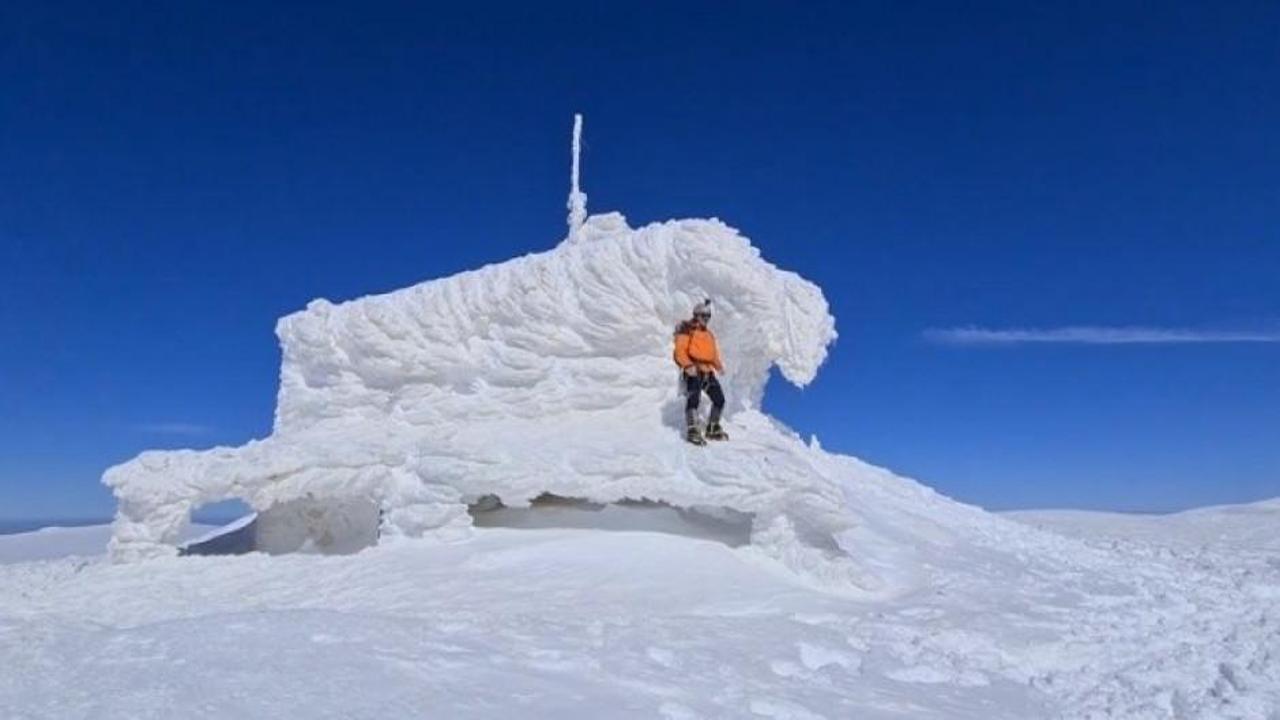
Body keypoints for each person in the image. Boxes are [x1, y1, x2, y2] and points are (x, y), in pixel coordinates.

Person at [673, 299, 728, 445]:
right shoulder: (687, 330)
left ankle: (712, 427)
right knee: (694, 399)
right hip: (693, 370)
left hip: (708, 372)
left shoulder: (709, 335)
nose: (706, 319)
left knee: (719, 399)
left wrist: (719, 366)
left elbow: (713, 354)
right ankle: (693, 430)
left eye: (708, 316)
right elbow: (680, 350)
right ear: (696, 315)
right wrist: (687, 365)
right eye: (703, 315)